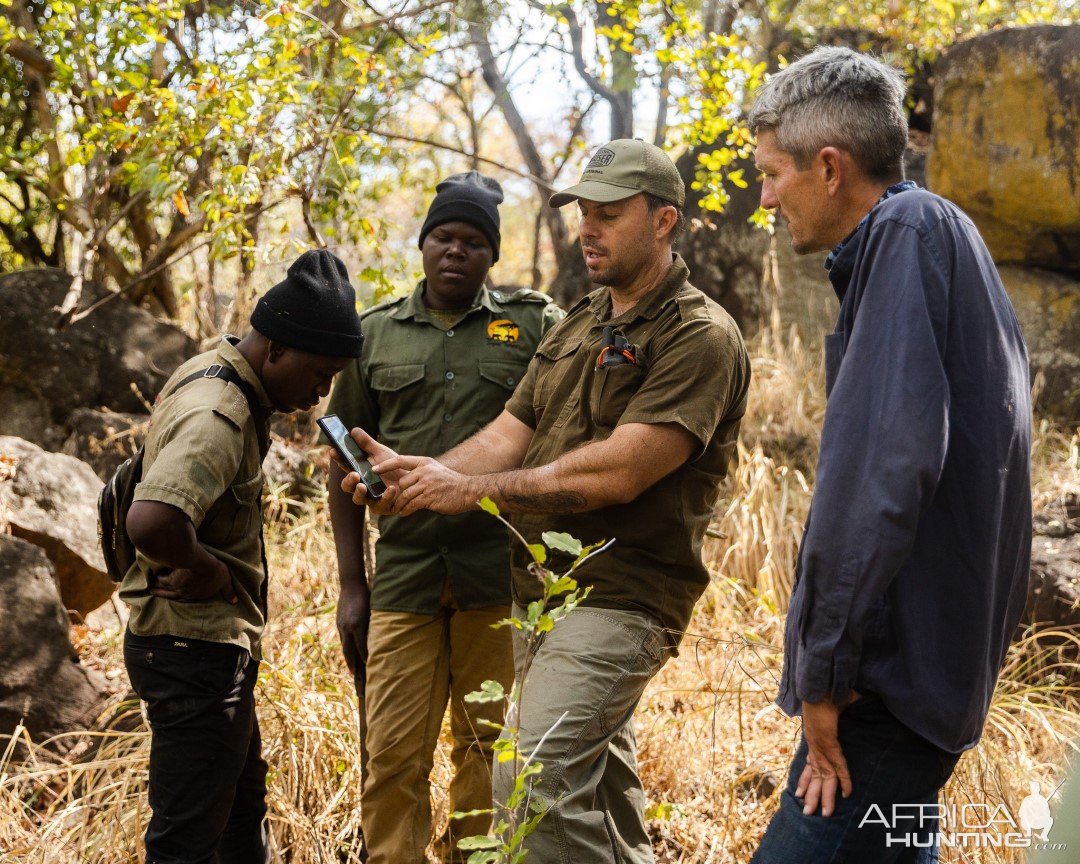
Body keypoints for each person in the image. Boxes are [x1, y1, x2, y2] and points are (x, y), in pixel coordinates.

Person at [340, 138, 751, 864]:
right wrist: (420, 476)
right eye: (583, 213)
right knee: (597, 798)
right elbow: (507, 434)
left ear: (664, 222)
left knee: (530, 776)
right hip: (544, 596)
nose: (587, 228)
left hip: (622, 599)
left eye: (609, 214)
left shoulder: (698, 334)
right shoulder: (579, 323)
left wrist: (465, 490)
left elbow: (619, 472)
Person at [746, 47, 1032, 863]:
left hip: (880, 696)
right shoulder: (946, 238)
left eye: (773, 174)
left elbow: (882, 473)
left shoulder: (906, 235)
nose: (765, 197)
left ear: (829, 167)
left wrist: (825, 674)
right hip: (926, 687)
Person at [323, 170, 563, 864]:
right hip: (404, 580)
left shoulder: (532, 326)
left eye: (472, 241)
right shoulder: (374, 336)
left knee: (489, 750)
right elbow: (339, 466)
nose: (455, 251)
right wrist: (351, 584)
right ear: (423, 244)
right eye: (442, 237)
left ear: (491, 255)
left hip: (500, 577)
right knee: (392, 754)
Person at [120, 249, 363, 864]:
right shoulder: (218, 414)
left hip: (204, 652)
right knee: (188, 839)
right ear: (277, 348)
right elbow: (152, 519)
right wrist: (208, 568)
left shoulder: (216, 370)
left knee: (236, 811)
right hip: (190, 652)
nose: (321, 392)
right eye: (320, 372)